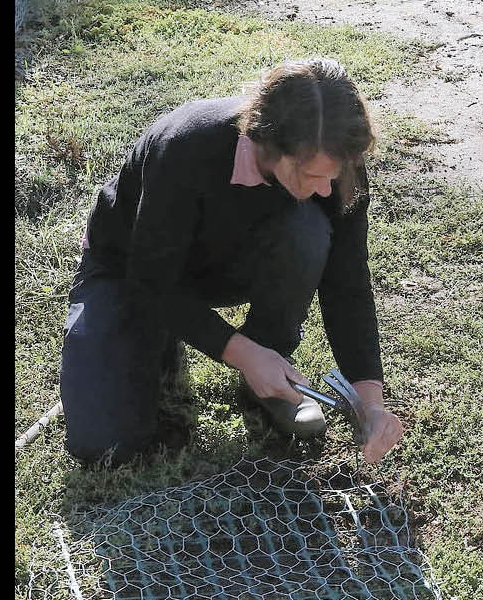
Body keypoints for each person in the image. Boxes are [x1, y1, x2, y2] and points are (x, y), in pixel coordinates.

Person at [59, 58, 404, 467]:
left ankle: (269, 380)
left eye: (333, 176)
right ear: (272, 145)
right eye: (313, 175)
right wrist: (238, 350)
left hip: (224, 261)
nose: (327, 188)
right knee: (102, 443)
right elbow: (150, 279)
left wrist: (370, 400)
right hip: (131, 269)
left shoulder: (336, 159)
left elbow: (348, 283)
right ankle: (164, 337)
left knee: (308, 233)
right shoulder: (187, 145)